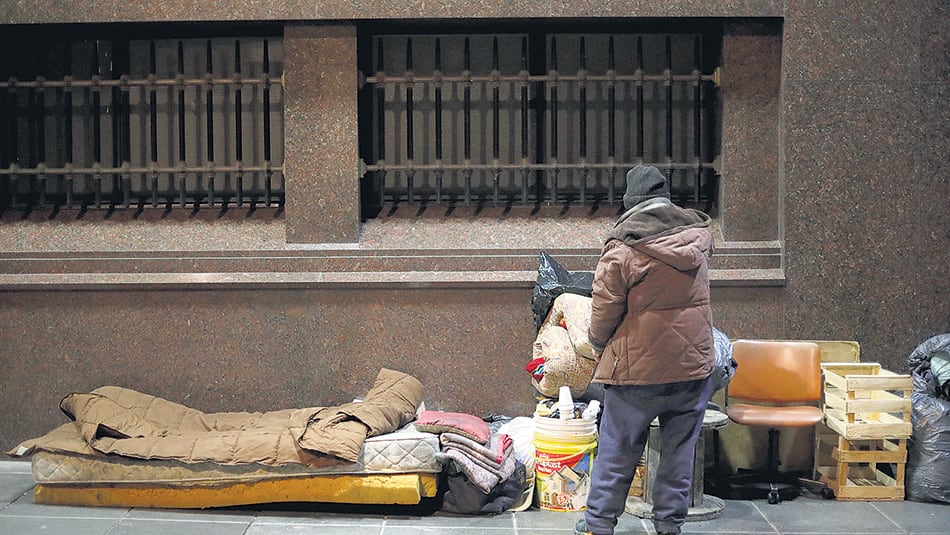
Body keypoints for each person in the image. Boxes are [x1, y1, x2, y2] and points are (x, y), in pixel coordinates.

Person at [574, 165, 715, 535]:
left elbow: (604, 309)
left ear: (629, 202)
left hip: (637, 370)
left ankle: (598, 525)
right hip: (692, 366)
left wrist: (596, 343)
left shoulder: (623, 248)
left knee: (617, 451)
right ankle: (669, 526)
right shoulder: (696, 239)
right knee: (680, 453)